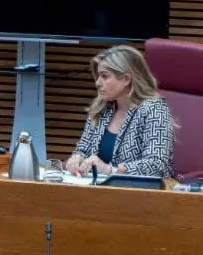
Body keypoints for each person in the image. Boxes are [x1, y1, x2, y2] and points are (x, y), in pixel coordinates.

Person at [66, 45, 174, 178]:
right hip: (97, 187)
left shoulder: (154, 109)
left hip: (140, 189)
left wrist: (110, 170)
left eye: (104, 76)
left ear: (126, 79)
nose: (97, 83)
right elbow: (83, 148)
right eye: (98, 76)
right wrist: (77, 158)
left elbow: (157, 165)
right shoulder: (101, 108)